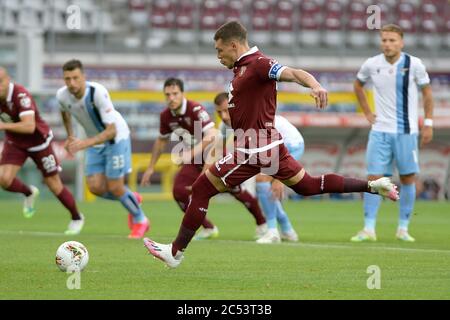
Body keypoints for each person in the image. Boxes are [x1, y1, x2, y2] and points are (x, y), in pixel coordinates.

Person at [144, 21, 399, 268]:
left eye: (219, 50)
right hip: (268, 146)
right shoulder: (242, 68)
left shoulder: (259, 64)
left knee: (200, 189)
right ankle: (373, 186)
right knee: (308, 185)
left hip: (253, 149)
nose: (218, 56)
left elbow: (293, 73)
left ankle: (175, 253)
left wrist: (315, 85)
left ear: (233, 45)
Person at [140, 78, 267, 240]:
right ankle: (209, 228)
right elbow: (161, 141)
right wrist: (151, 167)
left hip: (214, 156)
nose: (171, 98)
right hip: (196, 160)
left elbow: (211, 135)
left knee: (235, 191)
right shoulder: (166, 116)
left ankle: (262, 223)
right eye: (167, 95)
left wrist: (190, 154)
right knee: (179, 191)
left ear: (182, 94)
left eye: (175, 94)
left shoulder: (195, 109)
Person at [351, 24, 434, 243]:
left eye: (392, 40)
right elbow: (358, 85)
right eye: (384, 40)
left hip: (406, 131)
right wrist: (367, 112)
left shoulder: (414, 64)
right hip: (379, 131)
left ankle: (403, 229)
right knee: (374, 179)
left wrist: (428, 123)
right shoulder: (371, 64)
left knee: (408, 178)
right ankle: (369, 229)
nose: (387, 44)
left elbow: (427, 93)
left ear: (401, 42)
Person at [56, 59, 149, 239]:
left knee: (115, 187)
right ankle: (130, 197)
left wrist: (83, 143)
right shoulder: (62, 95)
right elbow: (64, 112)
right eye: (67, 79)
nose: (71, 83)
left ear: (83, 77)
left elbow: (111, 130)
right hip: (94, 141)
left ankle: (140, 220)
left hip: (116, 139)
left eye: (75, 78)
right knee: (95, 187)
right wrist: (70, 135)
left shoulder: (96, 93)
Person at [0, 66, 84, 235]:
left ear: (8, 80)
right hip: (15, 142)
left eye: (0, 82)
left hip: (39, 142)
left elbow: (30, 126)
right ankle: (29, 192)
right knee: (4, 179)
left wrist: (3, 126)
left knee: (53, 184)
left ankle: (76, 217)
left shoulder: (20, 95)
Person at [214, 92, 301, 243]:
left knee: (262, 179)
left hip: (292, 145)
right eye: (219, 112)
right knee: (264, 183)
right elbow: (221, 150)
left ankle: (273, 231)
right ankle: (287, 230)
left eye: (226, 110)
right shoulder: (224, 126)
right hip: (270, 148)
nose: (223, 115)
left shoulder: (250, 116)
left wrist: (280, 178)